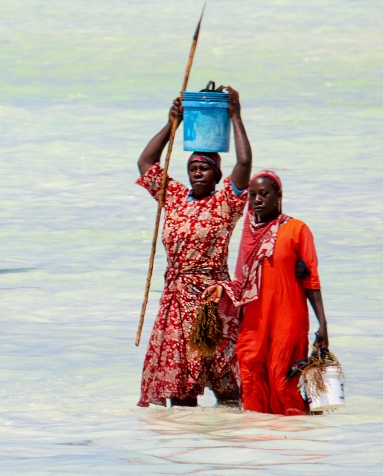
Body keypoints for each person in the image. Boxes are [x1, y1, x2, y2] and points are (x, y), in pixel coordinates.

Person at [134, 86, 252, 408]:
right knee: (181, 385)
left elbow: (244, 163)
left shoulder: (225, 203)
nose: (197, 173)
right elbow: (146, 162)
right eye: (192, 169)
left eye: (204, 169)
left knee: (225, 382)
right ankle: (186, 444)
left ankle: (228, 441)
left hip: (211, 300)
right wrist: (173, 124)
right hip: (176, 299)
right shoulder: (173, 199)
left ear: (217, 175)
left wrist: (235, 117)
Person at [210, 170, 331, 416]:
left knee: (284, 382)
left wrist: (322, 323)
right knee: (251, 378)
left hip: (287, 320)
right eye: (252, 195)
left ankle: (294, 443)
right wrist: (221, 288)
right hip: (253, 323)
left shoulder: (297, 229)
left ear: (278, 196)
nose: (257, 200)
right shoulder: (249, 236)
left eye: (264, 194)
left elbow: (312, 280)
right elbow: (243, 284)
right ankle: (258, 443)